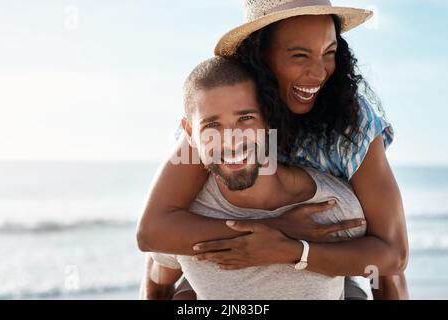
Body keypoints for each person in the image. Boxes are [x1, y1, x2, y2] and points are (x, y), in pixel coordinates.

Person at [138, 0, 409, 300]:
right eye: (299, 55)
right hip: (222, 260)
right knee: (169, 276)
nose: (319, 72)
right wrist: (276, 228)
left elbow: (394, 253)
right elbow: (155, 229)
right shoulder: (225, 107)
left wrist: (293, 250)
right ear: (260, 54)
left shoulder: (351, 121)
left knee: (385, 280)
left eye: (329, 53)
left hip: (327, 255)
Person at [146, 56, 373, 299]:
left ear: (268, 121)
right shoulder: (185, 217)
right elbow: (157, 282)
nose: (232, 140)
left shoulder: (331, 209)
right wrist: (278, 228)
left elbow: (387, 270)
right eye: (212, 125)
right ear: (190, 133)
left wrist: (296, 251)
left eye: (245, 118)